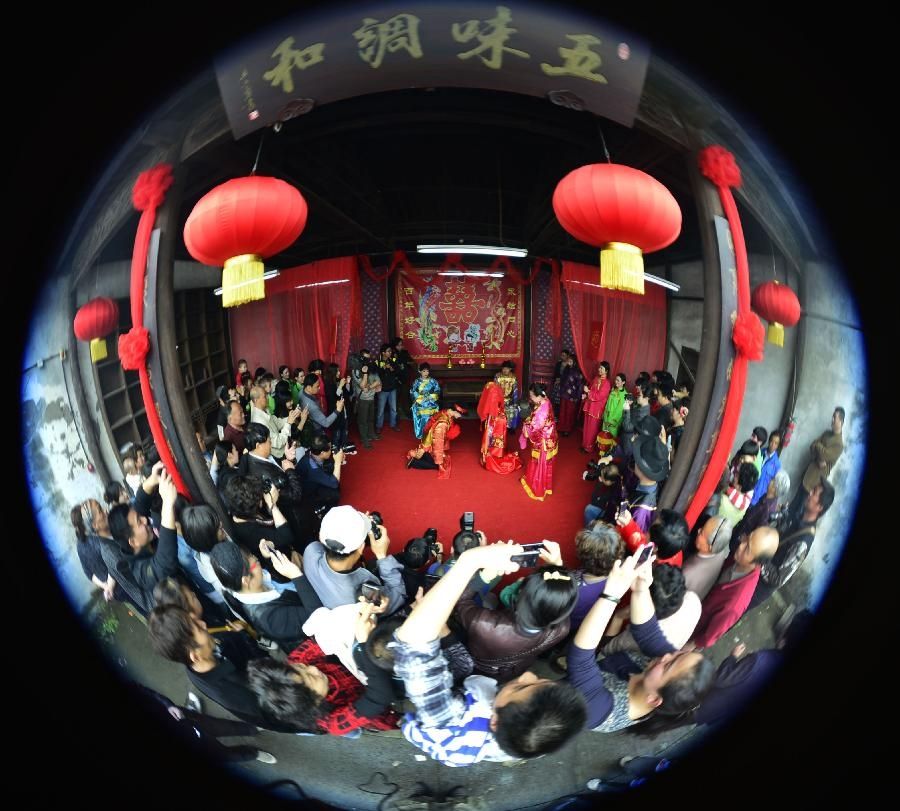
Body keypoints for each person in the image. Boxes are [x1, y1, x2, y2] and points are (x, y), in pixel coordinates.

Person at [393, 540, 587, 765]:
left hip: (437, 724)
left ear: (494, 722)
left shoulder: (450, 717)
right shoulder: (528, 739)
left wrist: (469, 561)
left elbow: (413, 641)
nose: (528, 675)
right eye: (541, 680)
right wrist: (557, 569)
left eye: (521, 687)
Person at [566, 544, 715, 733]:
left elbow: (580, 659)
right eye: (679, 654)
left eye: (669, 665)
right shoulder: (663, 669)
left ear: (653, 700)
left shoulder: (599, 710)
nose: (667, 655)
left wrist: (611, 596)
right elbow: (648, 631)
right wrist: (641, 588)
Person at [246, 606, 400, 736]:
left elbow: (327, 632)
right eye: (311, 678)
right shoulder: (334, 722)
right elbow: (380, 697)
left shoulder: (295, 662)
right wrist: (363, 643)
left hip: (370, 674)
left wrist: (364, 609)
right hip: (383, 708)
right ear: (314, 702)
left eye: (302, 667)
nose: (312, 668)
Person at [455, 540, 578, 682]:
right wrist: (557, 567)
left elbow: (460, 601)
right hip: (517, 668)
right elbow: (561, 600)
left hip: (480, 670)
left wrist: (484, 577)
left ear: (519, 593)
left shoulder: (482, 623)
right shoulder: (562, 628)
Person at [106, 462, 180, 615]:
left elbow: (140, 502)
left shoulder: (137, 534)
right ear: (132, 542)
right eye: (139, 522)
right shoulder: (138, 572)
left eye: (141, 517)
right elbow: (164, 565)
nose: (146, 520)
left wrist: (152, 479)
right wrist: (167, 504)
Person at [688, 526, 780, 650]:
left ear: (757, 562)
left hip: (692, 628)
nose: (741, 545)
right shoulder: (739, 559)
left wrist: (689, 646)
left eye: (747, 549)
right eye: (747, 538)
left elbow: (708, 637)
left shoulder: (735, 603)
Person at [302, 505, 406, 614]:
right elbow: (399, 595)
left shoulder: (311, 551)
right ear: (362, 548)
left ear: (320, 537)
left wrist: (359, 529)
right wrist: (382, 556)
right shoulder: (362, 595)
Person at [748, 480, 834, 609]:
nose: (809, 492)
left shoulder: (803, 542)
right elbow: (778, 518)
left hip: (758, 586)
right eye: (813, 489)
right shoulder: (798, 513)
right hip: (751, 565)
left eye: (814, 493)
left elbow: (778, 579)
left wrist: (758, 555)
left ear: (819, 507)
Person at [788, 407, 844, 523]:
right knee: (792, 507)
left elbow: (824, 455)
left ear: (841, 422)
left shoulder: (839, 444)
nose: (832, 420)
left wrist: (819, 448)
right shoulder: (827, 433)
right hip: (807, 476)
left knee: (799, 514)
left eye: (835, 418)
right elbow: (812, 445)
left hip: (814, 484)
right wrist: (819, 451)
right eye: (832, 416)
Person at [70, 499, 120, 602]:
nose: (106, 511)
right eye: (100, 510)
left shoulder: (80, 545)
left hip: (114, 592)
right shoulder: (101, 543)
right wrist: (109, 586)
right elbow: (115, 565)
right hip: (122, 584)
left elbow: (88, 572)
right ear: (92, 524)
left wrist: (105, 587)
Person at [519, 382, 559, 501]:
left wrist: (526, 426)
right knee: (544, 463)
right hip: (550, 437)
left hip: (543, 440)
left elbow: (535, 428)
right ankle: (544, 485)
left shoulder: (542, 410)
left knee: (541, 463)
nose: (530, 398)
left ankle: (539, 487)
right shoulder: (545, 400)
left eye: (531, 396)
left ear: (538, 396)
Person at [682, 515, 734, 601]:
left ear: (709, 547)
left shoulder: (688, 574)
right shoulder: (720, 550)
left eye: (702, 532)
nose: (698, 530)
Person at [406, 403, 466, 478]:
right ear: (453, 411)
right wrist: (439, 463)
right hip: (430, 446)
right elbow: (438, 443)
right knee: (440, 464)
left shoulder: (445, 412)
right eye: (460, 414)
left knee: (442, 458)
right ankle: (415, 462)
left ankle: (421, 456)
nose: (460, 416)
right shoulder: (442, 424)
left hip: (428, 443)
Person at [476, 379, 522, 475]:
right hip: (494, 418)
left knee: (495, 436)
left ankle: (495, 454)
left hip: (496, 419)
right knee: (492, 435)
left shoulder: (492, 391)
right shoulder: (494, 390)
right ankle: (492, 453)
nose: (491, 398)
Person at [351, 350, 381, 448]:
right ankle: (364, 440)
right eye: (365, 358)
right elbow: (362, 385)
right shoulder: (356, 370)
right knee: (362, 421)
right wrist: (364, 373)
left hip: (372, 397)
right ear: (361, 358)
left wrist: (369, 387)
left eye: (369, 358)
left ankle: (371, 434)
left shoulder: (372, 367)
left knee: (371, 418)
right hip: (362, 399)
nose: (368, 360)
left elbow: (378, 382)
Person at [581, 361, 611, 452]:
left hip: (597, 409)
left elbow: (599, 396)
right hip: (590, 406)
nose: (599, 369)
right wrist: (586, 394)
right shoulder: (596, 378)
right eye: (599, 367)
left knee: (592, 429)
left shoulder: (607, 383)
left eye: (602, 368)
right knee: (586, 427)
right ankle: (584, 444)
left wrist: (588, 392)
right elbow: (591, 389)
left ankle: (589, 447)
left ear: (606, 371)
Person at [595, 373, 627, 456]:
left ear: (623, 382)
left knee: (611, 440)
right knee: (604, 437)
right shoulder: (613, 389)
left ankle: (608, 458)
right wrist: (604, 415)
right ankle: (602, 455)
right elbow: (608, 403)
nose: (616, 382)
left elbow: (619, 411)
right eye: (615, 380)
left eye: (618, 380)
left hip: (613, 422)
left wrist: (610, 421)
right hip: (606, 418)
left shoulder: (624, 395)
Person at [749, 430, 782, 506]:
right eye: (771, 441)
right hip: (748, 490)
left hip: (758, 500)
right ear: (769, 441)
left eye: (776, 443)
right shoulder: (759, 452)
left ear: (778, 446)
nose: (772, 445)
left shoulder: (777, 465)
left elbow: (774, 487)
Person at [410, 362, 441, 439]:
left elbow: (437, 391)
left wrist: (429, 397)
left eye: (427, 371)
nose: (426, 373)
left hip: (431, 403)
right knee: (422, 420)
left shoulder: (433, 381)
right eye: (424, 371)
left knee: (431, 419)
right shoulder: (417, 382)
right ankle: (422, 435)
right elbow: (413, 391)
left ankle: (431, 434)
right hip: (420, 403)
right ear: (420, 371)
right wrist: (420, 399)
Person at [375, 343, 400, 433]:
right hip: (382, 389)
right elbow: (376, 374)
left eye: (390, 351)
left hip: (392, 388)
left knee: (394, 409)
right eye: (388, 351)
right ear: (383, 353)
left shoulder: (392, 360)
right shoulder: (377, 362)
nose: (390, 353)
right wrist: (384, 368)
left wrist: (392, 369)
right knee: (380, 410)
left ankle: (393, 424)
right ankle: (379, 426)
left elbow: (398, 371)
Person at [558, 352, 585, 436]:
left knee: (569, 413)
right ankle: (561, 427)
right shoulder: (566, 369)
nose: (569, 363)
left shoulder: (578, 373)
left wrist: (577, 397)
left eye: (570, 361)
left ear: (575, 362)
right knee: (562, 412)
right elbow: (562, 381)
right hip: (564, 394)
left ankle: (567, 429)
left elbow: (580, 386)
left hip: (572, 396)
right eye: (568, 361)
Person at [494, 360, 521, 430]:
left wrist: (515, 402)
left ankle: (511, 427)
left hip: (509, 400)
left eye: (507, 368)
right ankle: (498, 427)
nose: (505, 370)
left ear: (510, 369)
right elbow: (495, 390)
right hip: (499, 400)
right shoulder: (498, 376)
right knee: (497, 410)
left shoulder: (513, 377)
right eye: (503, 368)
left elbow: (515, 391)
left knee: (514, 410)